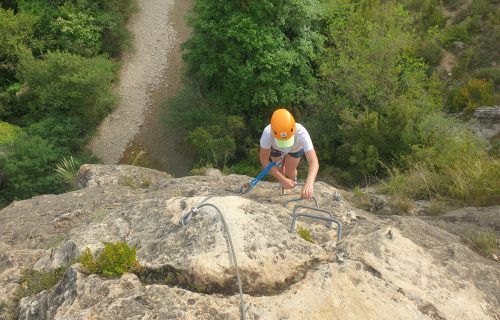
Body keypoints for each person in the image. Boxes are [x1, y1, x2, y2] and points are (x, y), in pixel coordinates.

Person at [259, 108, 319, 199]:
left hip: (295, 148)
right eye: (282, 140)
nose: (284, 146)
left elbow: (313, 161)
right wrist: (282, 179)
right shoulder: (268, 133)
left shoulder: (301, 133)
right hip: (276, 149)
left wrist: (309, 183)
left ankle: (292, 181)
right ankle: (282, 185)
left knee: (290, 170)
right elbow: (264, 160)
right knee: (279, 169)